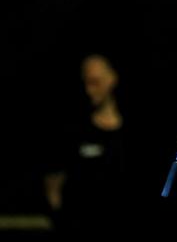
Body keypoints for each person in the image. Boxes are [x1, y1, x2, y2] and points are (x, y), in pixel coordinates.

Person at [43, 53, 132, 242]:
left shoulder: (131, 131)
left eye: (95, 82)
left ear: (112, 79)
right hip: (80, 231)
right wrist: (63, 223)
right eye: (86, 83)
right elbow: (53, 184)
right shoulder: (73, 130)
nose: (89, 90)